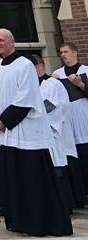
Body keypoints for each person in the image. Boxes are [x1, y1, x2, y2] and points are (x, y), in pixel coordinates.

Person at [0, 28, 72, 236]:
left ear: (12, 42)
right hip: (5, 133)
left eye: (2, 40)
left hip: (24, 131)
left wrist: (5, 120)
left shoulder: (24, 65)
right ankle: (19, 221)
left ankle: (40, 222)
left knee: (31, 180)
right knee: (13, 181)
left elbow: (26, 97)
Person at [37, 55, 84, 214]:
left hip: (55, 130)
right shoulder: (29, 84)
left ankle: (67, 203)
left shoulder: (53, 83)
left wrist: (37, 114)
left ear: (41, 65)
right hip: (39, 133)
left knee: (60, 166)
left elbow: (55, 105)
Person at [54, 42, 88, 195]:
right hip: (68, 118)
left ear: (75, 52)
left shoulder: (86, 70)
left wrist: (81, 85)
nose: (63, 55)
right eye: (61, 52)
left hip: (84, 114)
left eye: (66, 51)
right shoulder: (57, 74)